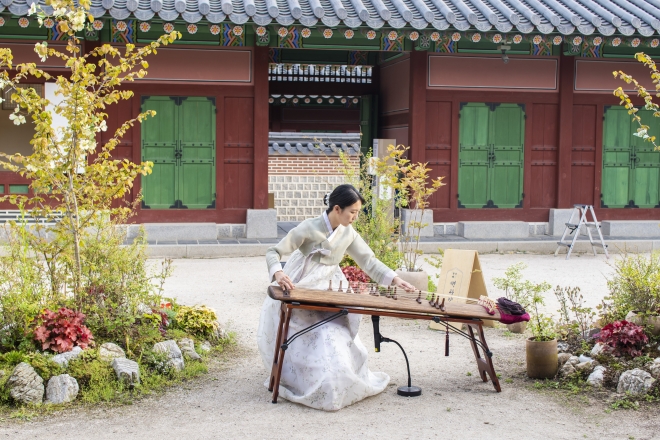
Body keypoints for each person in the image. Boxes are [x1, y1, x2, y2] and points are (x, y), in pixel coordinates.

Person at [257, 184, 415, 411]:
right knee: (302, 336)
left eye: (358, 212)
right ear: (337, 208)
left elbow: (369, 262)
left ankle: (334, 383)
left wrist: (395, 279)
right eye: (353, 212)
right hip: (301, 285)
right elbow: (273, 251)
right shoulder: (309, 228)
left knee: (333, 338)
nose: (355, 217)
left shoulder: (348, 234)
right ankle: (297, 378)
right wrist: (279, 272)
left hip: (330, 289)